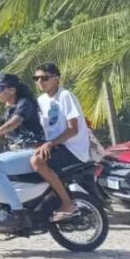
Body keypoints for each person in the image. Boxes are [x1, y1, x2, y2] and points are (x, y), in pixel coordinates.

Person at [0, 73, 45, 229]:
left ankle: (18, 212)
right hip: (16, 152)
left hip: (32, 150)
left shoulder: (24, 103)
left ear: (12, 90)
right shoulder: (8, 108)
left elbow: (14, 122)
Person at [30, 63, 91, 222]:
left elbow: (73, 129)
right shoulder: (41, 100)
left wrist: (50, 143)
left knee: (37, 161)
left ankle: (67, 203)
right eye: (36, 78)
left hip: (73, 148)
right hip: (57, 146)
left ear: (56, 78)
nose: (40, 82)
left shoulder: (65, 96)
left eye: (45, 78)